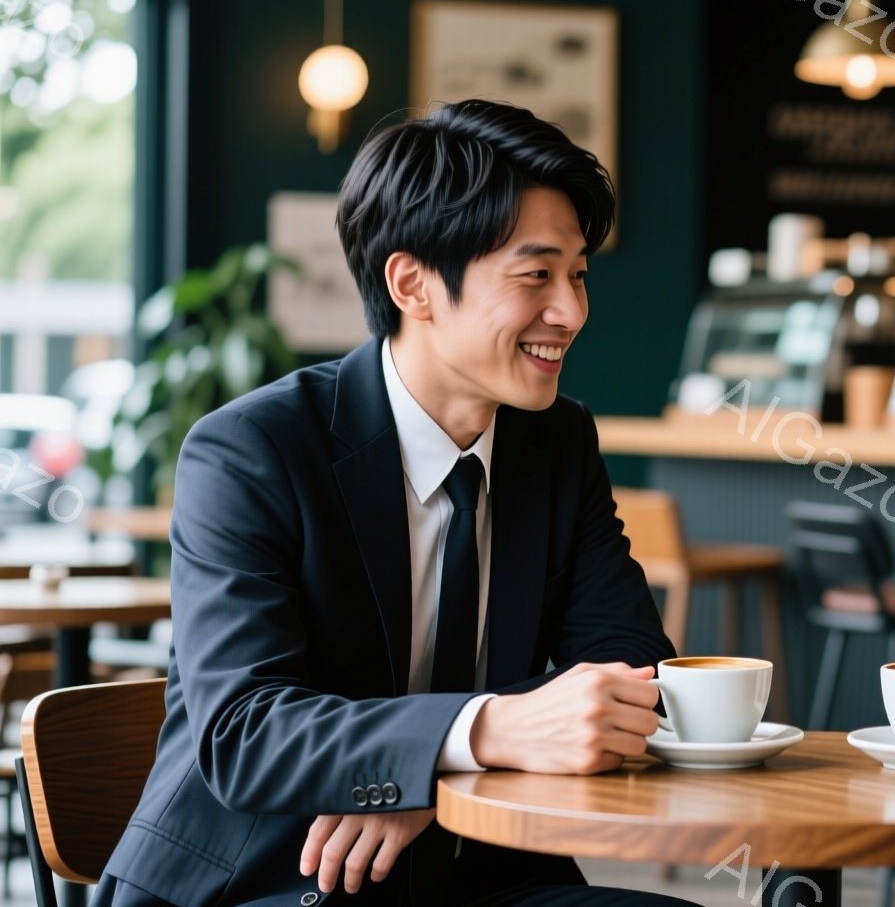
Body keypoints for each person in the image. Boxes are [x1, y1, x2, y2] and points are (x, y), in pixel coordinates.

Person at [94, 100, 692, 907]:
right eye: (536, 275)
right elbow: (246, 732)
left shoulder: (556, 443)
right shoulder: (252, 449)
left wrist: (433, 769)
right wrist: (473, 736)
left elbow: (630, 669)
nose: (572, 312)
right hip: (268, 880)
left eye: (579, 274)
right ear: (412, 283)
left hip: (475, 866)